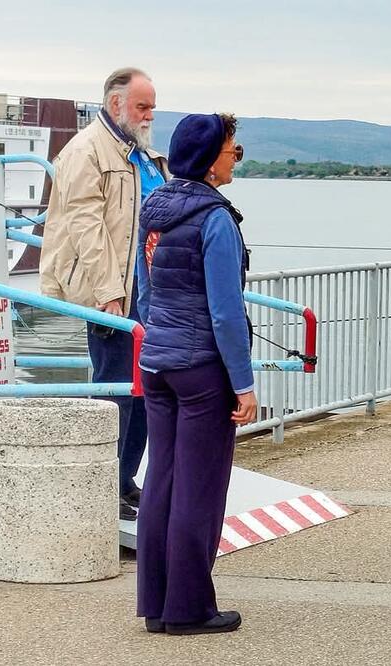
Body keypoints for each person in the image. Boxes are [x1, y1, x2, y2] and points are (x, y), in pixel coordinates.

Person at [134, 113, 256, 635]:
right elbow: (227, 312)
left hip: (158, 363)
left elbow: (145, 294)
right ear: (210, 161)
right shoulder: (216, 220)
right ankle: (190, 608)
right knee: (199, 489)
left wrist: (159, 339)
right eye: (233, 151)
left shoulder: (153, 212)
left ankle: (157, 605)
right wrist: (245, 385)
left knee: (161, 480)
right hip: (203, 369)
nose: (236, 158)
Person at [40, 67, 167, 521]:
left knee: (146, 388)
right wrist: (109, 294)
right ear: (116, 104)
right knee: (115, 385)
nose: (150, 114)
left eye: (152, 106)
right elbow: (85, 227)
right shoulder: (86, 151)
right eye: (142, 106)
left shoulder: (141, 152)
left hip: (149, 292)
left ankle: (126, 478)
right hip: (112, 292)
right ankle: (105, 483)